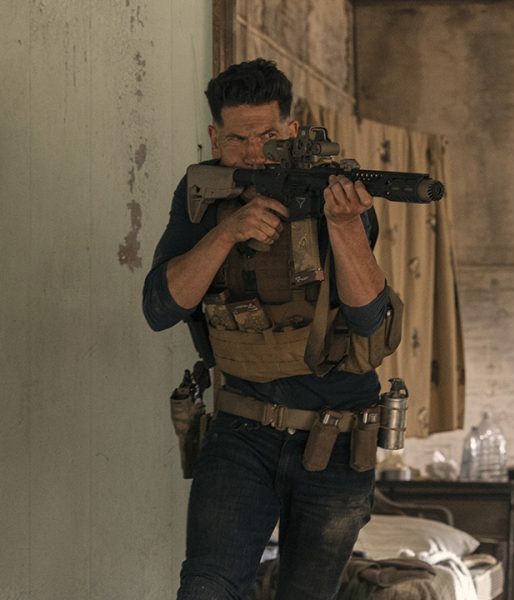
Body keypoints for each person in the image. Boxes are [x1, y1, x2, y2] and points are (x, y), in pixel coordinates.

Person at [143, 58, 402, 600]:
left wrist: (344, 226)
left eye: (267, 136)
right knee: (207, 589)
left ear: (292, 129)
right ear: (214, 137)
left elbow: (367, 321)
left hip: (337, 435)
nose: (254, 152)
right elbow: (160, 308)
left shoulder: (333, 191)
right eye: (237, 139)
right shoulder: (203, 194)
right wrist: (225, 235)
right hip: (241, 430)